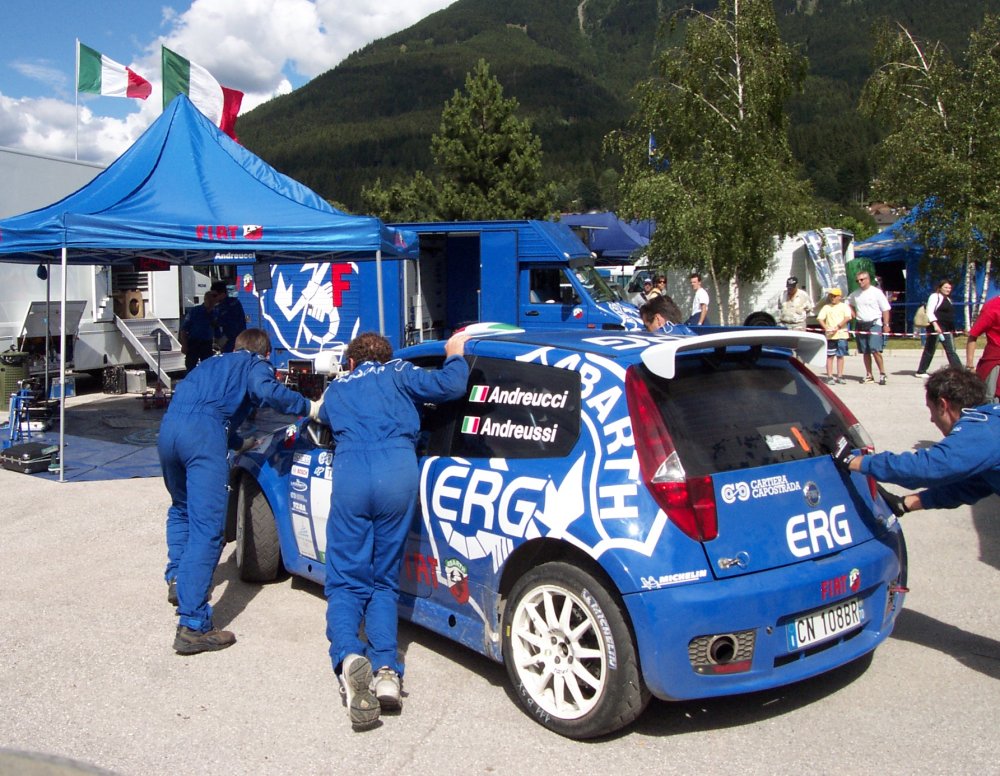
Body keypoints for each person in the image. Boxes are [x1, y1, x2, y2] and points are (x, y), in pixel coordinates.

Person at [318, 330, 470, 730]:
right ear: (385, 357)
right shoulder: (400, 372)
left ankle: (350, 656)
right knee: (384, 581)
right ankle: (387, 670)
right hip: (398, 475)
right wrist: (455, 354)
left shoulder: (338, 389)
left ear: (351, 361)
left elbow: (324, 420)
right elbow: (452, 386)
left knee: (347, 581)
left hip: (352, 477)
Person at [159, 328, 320, 655]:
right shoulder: (254, 363)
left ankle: (178, 578)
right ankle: (193, 625)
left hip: (169, 431)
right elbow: (266, 391)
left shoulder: (210, 365)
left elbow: (206, 407)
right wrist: (309, 407)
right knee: (208, 529)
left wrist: (238, 443)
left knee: (181, 509)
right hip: (202, 438)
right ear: (265, 353)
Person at [845, 367, 999, 514]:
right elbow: (975, 484)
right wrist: (905, 504)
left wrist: (857, 461)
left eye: (931, 409)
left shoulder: (983, 430)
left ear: (942, 405)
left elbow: (927, 468)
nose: (932, 419)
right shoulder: (991, 420)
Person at [847, 270, 891, 385]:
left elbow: (885, 309)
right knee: (865, 351)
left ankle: (882, 373)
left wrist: (886, 324)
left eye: (862, 279)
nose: (859, 282)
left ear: (868, 279)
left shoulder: (876, 292)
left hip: (874, 323)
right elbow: (848, 302)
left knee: (875, 349)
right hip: (861, 324)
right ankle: (869, 375)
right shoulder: (855, 293)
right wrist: (853, 313)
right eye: (857, 280)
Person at [915, 279, 962, 377]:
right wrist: (935, 325)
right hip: (936, 328)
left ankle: (959, 372)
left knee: (951, 350)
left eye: (949, 288)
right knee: (930, 349)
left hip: (947, 329)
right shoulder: (934, 297)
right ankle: (921, 371)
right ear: (940, 288)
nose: (948, 289)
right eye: (945, 287)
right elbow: (930, 311)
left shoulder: (948, 299)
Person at [966, 293, 1000, 400]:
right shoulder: (992, 307)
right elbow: (973, 335)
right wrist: (970, 365)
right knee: (990, 398)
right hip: (995, 362)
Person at [178, 289, 218, 375]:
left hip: (207, 344)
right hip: (194, 343)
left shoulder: (215, 313)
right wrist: (184, 345)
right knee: (190, 367)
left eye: (213, 301)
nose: (211, 303)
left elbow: (217, 329)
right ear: (205, 300)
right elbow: (184, 329)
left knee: (208, 367)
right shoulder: (195, 311)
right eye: (209, 300)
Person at [816, 288, 852, 384]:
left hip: (841, 335)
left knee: (840, 356)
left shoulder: (844, 306)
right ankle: (830, 376)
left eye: (835, 296)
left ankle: (840, 375)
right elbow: (820, 318)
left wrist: (838, 326)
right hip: (831, 336)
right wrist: (826, 327)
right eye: (831, 296)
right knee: (830, 356)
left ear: (839, 297)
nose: (833, 298)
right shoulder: (826, 307)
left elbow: (848, 317)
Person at [211, 280, 247, 353]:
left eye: (215, 295)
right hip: (224, 343)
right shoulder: (217, 306)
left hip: (236, 341)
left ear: (223, 294)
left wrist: (224, 339)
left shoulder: (233, 304)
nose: (213, 298)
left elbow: (234, 325)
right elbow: (215, 323)